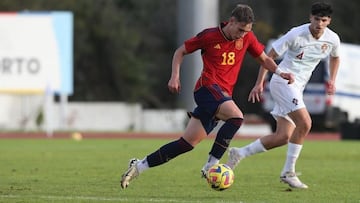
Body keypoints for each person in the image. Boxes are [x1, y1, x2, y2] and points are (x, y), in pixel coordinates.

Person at [120, 4, 294, 189]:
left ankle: (138, 166)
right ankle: (212, 164)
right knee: (237, 117)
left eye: (247, 31)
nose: (242, 34)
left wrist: (280, 72)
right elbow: (181, 51)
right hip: (206, 88)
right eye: (241, 30)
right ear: (232, 21)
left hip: (222, 95)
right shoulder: (210, 36)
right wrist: (175, 75)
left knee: (186, 144)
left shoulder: (247, 37)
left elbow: (264, 59)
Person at [227, 2, 340, 189]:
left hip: (298, 87)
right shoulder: (296, 34)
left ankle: (239, 153)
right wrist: (259, 82)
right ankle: (288, 172)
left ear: (329, 21)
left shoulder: (332, 39)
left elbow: (335, 57)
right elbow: (267, 56)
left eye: (324, 20)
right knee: (305, 123)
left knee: (282, 137)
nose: (320, 23)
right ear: (310, 18)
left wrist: (333, 80)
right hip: (283, 82)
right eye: (317, 19)